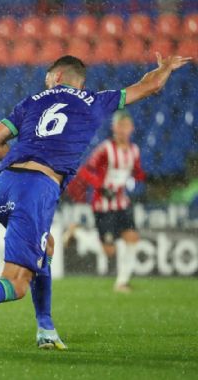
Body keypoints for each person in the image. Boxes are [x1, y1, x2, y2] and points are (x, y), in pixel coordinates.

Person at [0, 53, 191, 352]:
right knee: (16, 283)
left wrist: (21, 161)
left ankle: (46, 328)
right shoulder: (95, 101)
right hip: (36, 190)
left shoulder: (31, 101)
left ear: (57, 77)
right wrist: (164, 69)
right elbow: (148, 87)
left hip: (3, 185)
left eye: (47, 79)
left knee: (46, 246)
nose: (45, 84)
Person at [76, 111, 145, 293]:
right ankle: (77, 234)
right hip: (102, 205)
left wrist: (135, 180)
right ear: (114, 128)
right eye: (119, 126)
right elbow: (85, 171)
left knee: (132, 238)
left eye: (126, 126)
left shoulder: (134, 150)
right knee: (109, 251)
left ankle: (121, 282)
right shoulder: (105, 149)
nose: (123, 130)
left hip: (122, 203)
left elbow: (138, 173)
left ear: (132, 128)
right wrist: (101, 185)